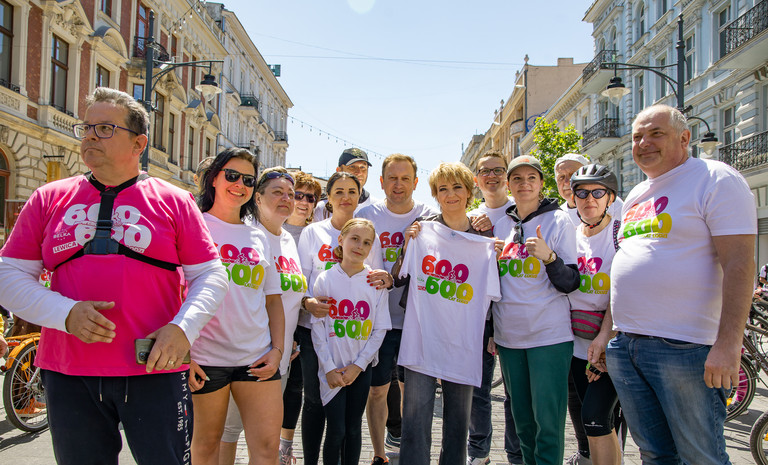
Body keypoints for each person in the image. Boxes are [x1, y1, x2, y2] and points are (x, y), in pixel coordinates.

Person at [0, 87, 228, 464]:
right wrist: (65, 314)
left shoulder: (175, 200)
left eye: (105, 128)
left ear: (139, 143)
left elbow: (210, 275)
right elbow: (9, 275)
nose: (90, 135)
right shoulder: (47, 198)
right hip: (68, 371)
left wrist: (183, 329)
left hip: (154, 368)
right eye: (87, 127)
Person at [607, 104, 756, 464]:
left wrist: (728, 345)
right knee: (654, 455)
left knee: (701, 457)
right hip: (628, 345)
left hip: (686, 348)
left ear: (685, 137)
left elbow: (739, 264)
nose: (644, 143)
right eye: (637, 137)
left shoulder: (715, 178)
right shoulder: (638, 193)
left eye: (656, 133)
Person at [395, 161, 503, 465]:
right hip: (422, 337)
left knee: (458, 421)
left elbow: (493, 294)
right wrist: (408, 244)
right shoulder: (423, 230)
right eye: (443, 188)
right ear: (435, 194)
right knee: (415, 419)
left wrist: (493, 256)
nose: (450, 194)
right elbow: (400, 276)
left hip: (463, 340)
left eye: (457, 187)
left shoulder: (484, 236)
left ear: (469, 192)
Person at [189, 148, 285, 465]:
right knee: (206, 447)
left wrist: (277, 350)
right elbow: (172, 293)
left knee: (267, 448)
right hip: (205, 359)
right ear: (214, 179)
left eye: (248, 180)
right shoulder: (193, 226)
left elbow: (272, 299)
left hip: (256, 357)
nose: (239, 184)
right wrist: (183, 355)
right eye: (231, 175)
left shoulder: (258, 236)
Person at [216, 166, 308, 465]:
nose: (287, 199)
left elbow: (288, 297)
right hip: (244, 355)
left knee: (266, 444)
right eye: (277, 192)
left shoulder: (288, 240)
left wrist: (287, 340)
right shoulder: (247, 235)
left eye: (291, 194)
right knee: (227, 435)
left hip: (279, 358)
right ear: (257, 198)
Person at [492, 155, 580, 465]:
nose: (524, 184)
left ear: (541, 183)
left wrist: (549, 257)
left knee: (548, 423)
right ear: (508, 184)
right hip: (509, 337)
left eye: (532, 178)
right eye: (517, 178)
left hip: (548, 337)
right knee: (523, 423)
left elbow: (571, 282)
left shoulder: (559, 220)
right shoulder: (501, 224)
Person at [297, 172, 390, 465]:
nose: (345, 196)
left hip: (357, 353)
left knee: (350, 427)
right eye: (339, 191)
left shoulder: (370, 256)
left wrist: (359, 365)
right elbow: (300, 280)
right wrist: (308, 302)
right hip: (319, 337)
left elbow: (377, 313)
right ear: (329, 196)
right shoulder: (313, 234)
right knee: (316, 406)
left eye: (352, 191)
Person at [357, 153, 438, 465]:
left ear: (416, 182)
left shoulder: (430, 215)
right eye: (392, 178)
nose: (398, 184)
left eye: (405, 178)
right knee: (377, 391)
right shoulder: (367, 214)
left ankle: (410, 451)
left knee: (411, 393)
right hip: (377, 321)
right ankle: (379, 453)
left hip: (416, 320)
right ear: (381, 182)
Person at [464, 151, 522, 465]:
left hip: (516, 312)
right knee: (478, 388)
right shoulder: (470, 217)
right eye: (485, 171)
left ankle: (516, 454)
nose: (492, 176)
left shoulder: (521, 212)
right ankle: (479, 453)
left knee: (515, 391)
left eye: (498, 170)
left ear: (507, 177)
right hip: (481, 316)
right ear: (477, 179)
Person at [568, 164, 623, 465]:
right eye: (582, 193)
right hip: (578, 346)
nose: (589, 199)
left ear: (610, 198)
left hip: (608, 344)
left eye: (598, 192)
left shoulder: (620, 235)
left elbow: (622, 292)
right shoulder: (570, 235)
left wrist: (605, 339)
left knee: (595, 417)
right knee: (597, 424)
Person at [280, 171, 322, 464]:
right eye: (299, 195)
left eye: (311, 198)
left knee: (296, 387)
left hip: (303, 323)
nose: (304, 202)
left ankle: (284, 447)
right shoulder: (271, 230)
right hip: (272, 322)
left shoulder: (315, 234)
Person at [314, 148, 380, 222]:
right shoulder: (322, 209)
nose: (359, 172)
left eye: (363, 167)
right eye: (352, 167)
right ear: (339, 170)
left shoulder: (376, 207)